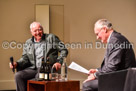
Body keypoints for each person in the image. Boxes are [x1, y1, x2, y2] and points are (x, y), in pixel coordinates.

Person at [9, 22, 68, 91]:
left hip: (47, 68)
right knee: (18, 76)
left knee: (39, 75)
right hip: (33, 68)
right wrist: (16, 63)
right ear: (31, 32)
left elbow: (64, 50)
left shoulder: (51, 38)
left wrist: (59, 62)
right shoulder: (28, 43)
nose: (38, 32)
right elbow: (25, 58)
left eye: (40, 30)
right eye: (35, 31)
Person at [82, 19, 136, 91]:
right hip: (119, 77)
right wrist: (97, 70)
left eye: (97, 34)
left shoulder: (116, 40)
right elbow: (111, 65)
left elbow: (111, 68)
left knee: (87, 85)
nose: (97, 37)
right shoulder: (115, 39)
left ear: (104, 29)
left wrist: (95, 75)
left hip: (122, 80)